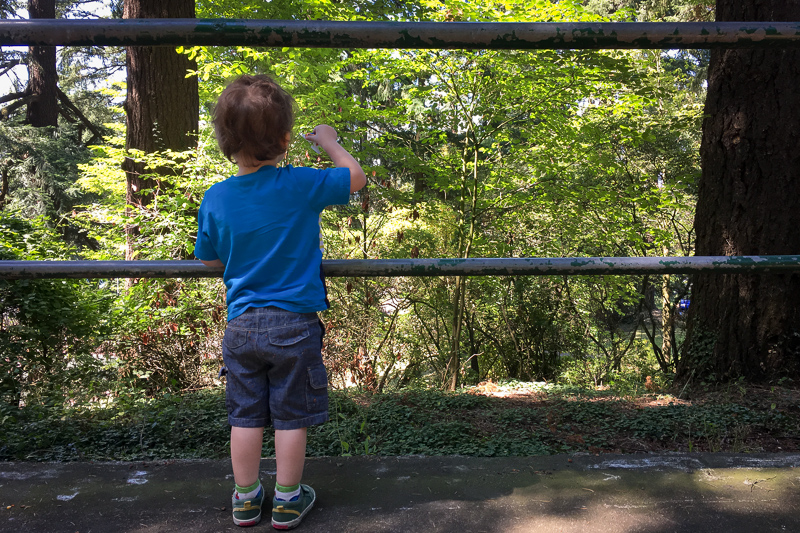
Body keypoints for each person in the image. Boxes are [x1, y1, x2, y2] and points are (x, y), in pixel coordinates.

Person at [194, 74, 366, 529]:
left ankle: (247, 498)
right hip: (294, 325)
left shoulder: (216, 198)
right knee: (291, 417)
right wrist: (330, 141)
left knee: (245, 416)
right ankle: (288, 499)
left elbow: (210, 261)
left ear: (225, 141)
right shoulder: (300, 186)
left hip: (242, 326)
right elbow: (356, 179)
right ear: (286, 139)